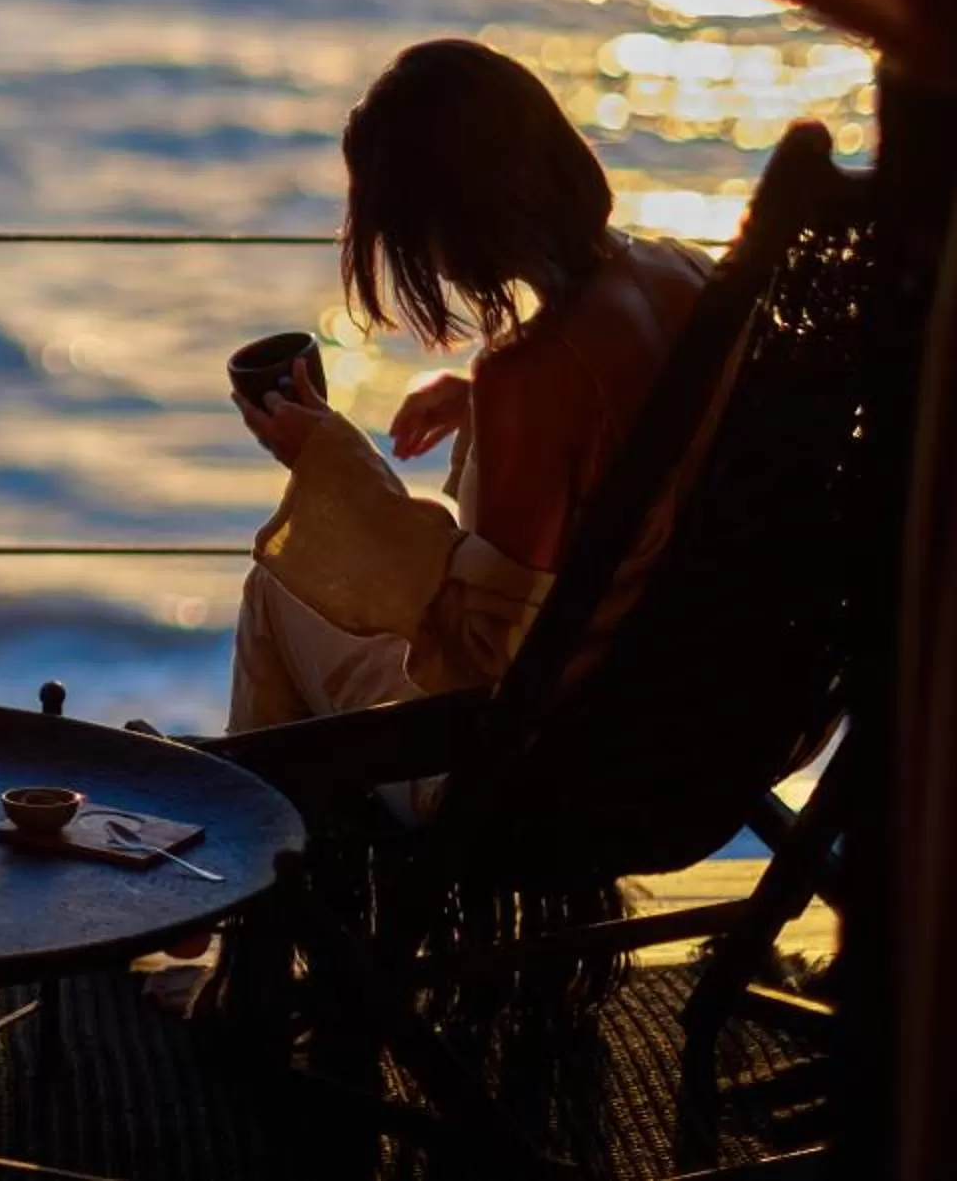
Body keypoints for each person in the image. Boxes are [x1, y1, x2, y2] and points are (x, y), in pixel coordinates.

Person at [225, 38, 712, 740]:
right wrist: (484, 409)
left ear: (448, 220)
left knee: (278, 588)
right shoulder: (680, 273)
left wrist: (330, 463)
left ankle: (261, 834)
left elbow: (485, 649)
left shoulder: (535, 375)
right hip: (686, 709)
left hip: (545, 761)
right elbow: (628, 432)